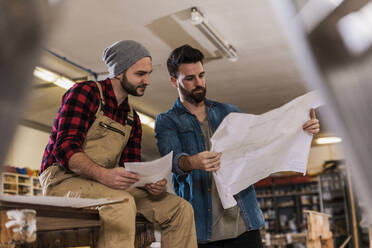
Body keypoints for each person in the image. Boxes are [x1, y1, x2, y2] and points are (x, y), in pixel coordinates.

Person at [155, 44, 320, 247]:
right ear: (174, 81)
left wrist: (300, 129)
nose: (199, 82)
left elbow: (263, 140)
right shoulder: (167, 121)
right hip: (202, 232)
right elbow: (172, 161)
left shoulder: (229, 112)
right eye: (190, 78)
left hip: (244, 225)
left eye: (201, 75)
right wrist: (192, 162)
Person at [39, 40, 197, 248]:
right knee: (120, 203)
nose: (147, 81)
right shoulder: (86, 93)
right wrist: (104, 174)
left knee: (180, 208)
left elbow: (129, 168)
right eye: (140, 74)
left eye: (148, 73)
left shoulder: (133, 119)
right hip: (63, 180)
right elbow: (65, 149)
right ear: (119, 72)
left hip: (106, 185)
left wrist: (147, 183)